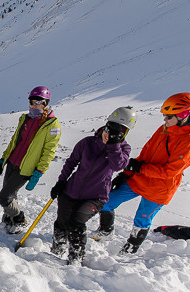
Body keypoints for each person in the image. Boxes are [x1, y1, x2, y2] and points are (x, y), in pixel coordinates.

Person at [95, 93, 190, 254]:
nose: (164, 120)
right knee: (106, 202)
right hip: (139, 179)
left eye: (168, 116)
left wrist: (139, 169)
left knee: (142, 219)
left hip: (159, 188)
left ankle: (130, 250)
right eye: (164, 116)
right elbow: (146, 153)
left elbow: (170, 171)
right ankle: (105, 232)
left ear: (182, 115)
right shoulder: (164, 129)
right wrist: (127, 172)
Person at [49, 107, 134, 264]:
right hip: (70, 191)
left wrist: (113, 144)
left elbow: (117, 165)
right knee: (62, 222)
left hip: (96, 197)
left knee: (76, 222)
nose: (111, 133)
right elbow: (71, 162)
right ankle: (57, 250)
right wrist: (61, 182)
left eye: (121, 131)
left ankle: (76, 258)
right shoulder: (87, 143)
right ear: (106, 124)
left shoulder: (123, 149)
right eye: (111, 128)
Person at [0, 86, 62, 233]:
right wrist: (3, 160)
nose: (35, 105)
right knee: (11, 195)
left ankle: (19, 219)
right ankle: (8, 219)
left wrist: (39, 172)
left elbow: (48, 152)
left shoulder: (52, 125)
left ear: (46, 103)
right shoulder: (25, 119)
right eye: (32, 102)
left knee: (4, 197)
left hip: (26, 169)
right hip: (12, 163)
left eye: (39, 102)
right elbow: (14, 141)